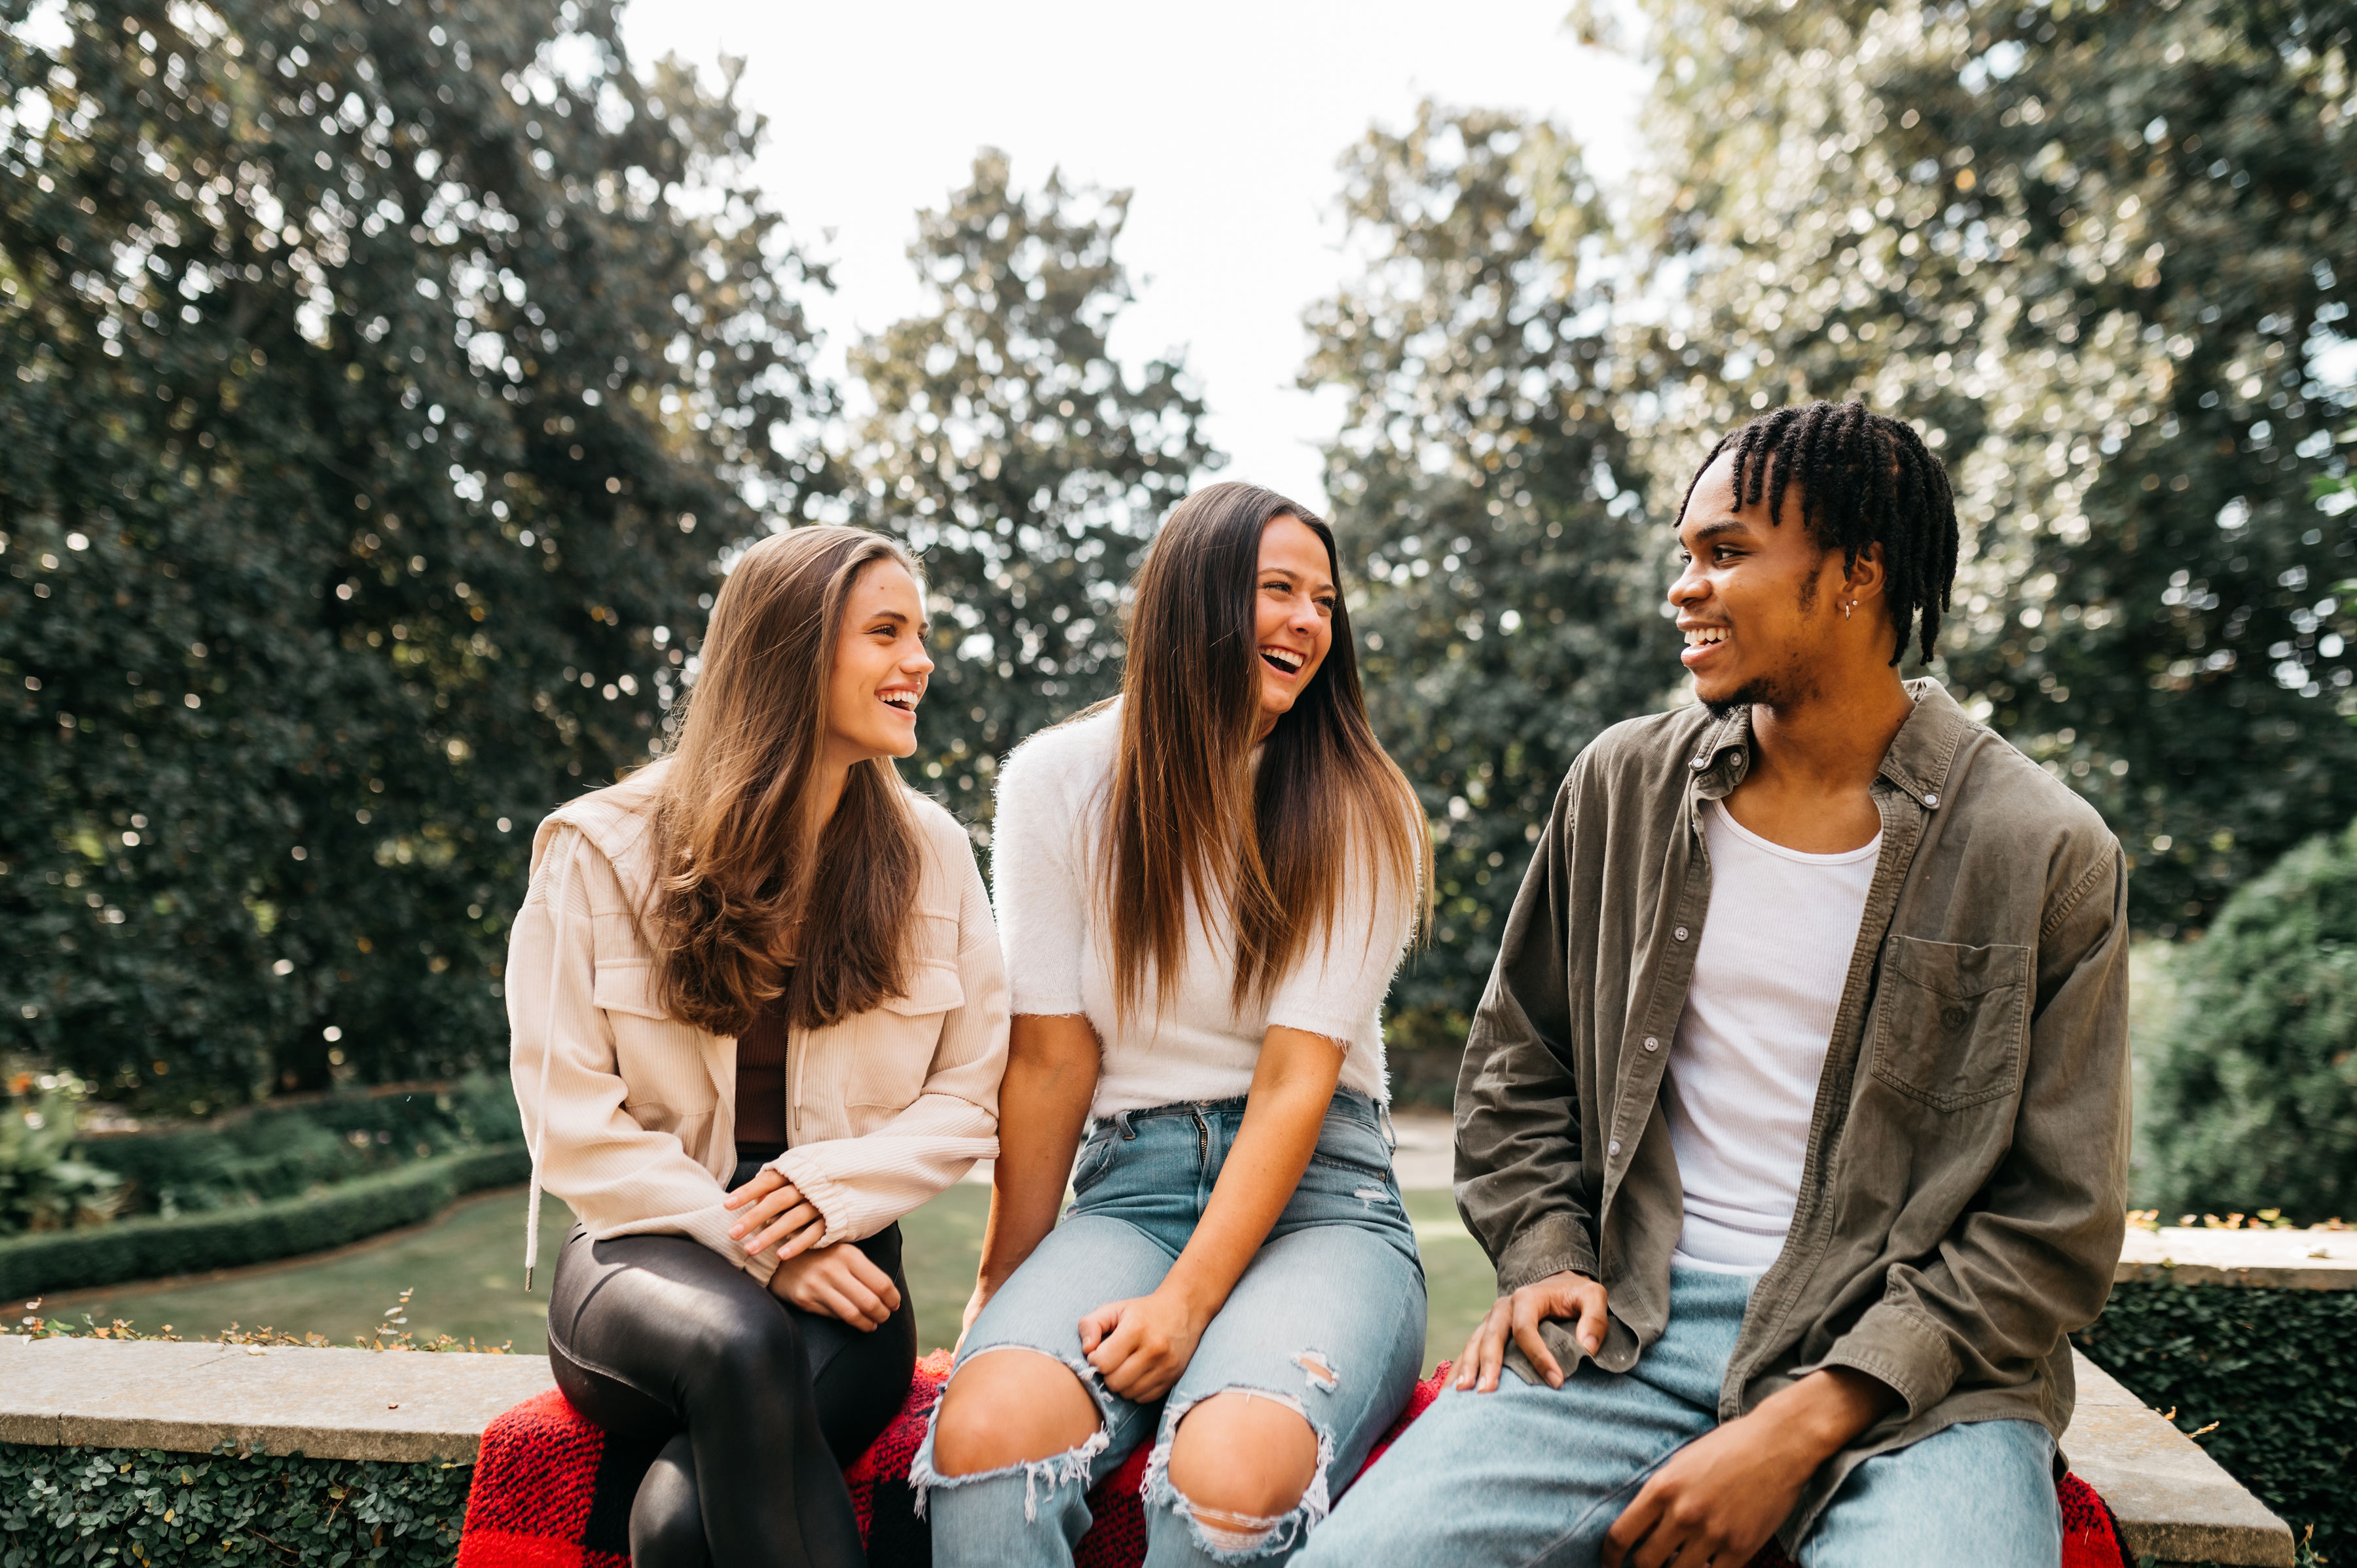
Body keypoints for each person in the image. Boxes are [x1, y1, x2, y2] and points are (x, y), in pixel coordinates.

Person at [1299, 401, 2131, 1568]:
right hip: (1634, 1328)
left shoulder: (2044, 849)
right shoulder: (1619, 786)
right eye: (1685, 555)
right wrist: (1548, 1254)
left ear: (1857, 575)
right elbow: (1516, 1063)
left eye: (1726, 553)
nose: (1684, 588)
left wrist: (1803, 1421)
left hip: (1912, 1380)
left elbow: (2056, 1224)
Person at [913, 481, 1433, 1567]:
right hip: (1132, 1187)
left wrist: (1186, 1305)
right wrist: (1004, 1281)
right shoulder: (1057, 781)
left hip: (1321, 1196)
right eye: (1277, 591)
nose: (1307, 622)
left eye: (1324, 602)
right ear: (1193, 601)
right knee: (984, 1432)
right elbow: (1054, 1059)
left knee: (1232, 1470)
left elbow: (1298, 1079)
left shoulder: (1359, 803)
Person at [506, 525, 1010, 1568]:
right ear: (792, 650)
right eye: (887, 632)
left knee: (681, 1525)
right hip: (639, 1251)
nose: (920, 661)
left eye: (920, 633)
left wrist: (826, 1194)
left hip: (850, 1266)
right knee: (735, 1340)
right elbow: (570, 1127)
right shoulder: (597, 848)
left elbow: (971, 1094)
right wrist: (760, 1245)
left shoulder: (936, 854)